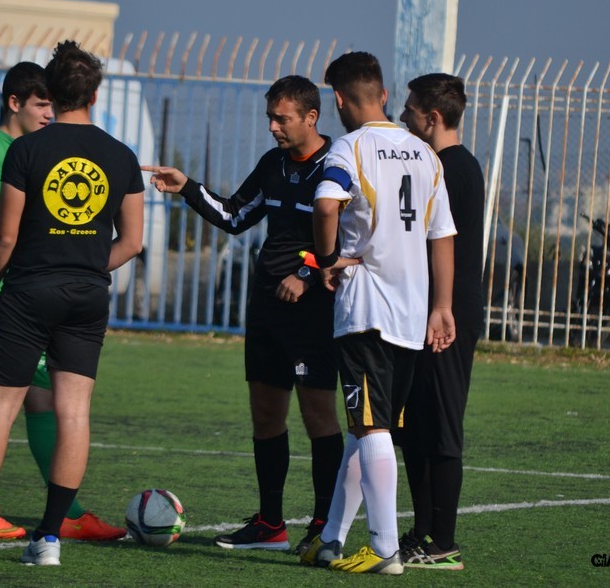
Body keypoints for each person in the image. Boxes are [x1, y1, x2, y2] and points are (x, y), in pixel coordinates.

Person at [0, 40, 144, 565]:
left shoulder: (27, 150)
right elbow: (131, 243)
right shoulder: (122, 156)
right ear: (96, 95)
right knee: (73, 412)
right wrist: (84, 267)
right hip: (88, 297)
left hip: (28, 291)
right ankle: (50, 539)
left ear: (52, 93)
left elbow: (6, 238)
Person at [141, 75, 344, 554]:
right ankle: (271, 524)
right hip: (267, 308)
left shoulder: (337, 165)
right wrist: (187, 188)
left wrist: (307, 272)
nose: (273, 127)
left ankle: (324, 525)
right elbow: (235, 215)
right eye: (270, 117)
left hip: (313, 311)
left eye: (282, 118)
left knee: (318, 414)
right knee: (266, 414)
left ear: (311, 117)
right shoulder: (273, 164)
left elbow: (351, 236)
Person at [300, 52, 457, 575]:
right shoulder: (425, 153)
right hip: (410, 316)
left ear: (338, 99)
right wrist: (441, 307)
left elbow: (326, 205)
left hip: (365, 311)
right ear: (384, 95)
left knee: (371, 429)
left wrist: (326, 259)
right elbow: (442, 235)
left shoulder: (349, 147)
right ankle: (330, 539)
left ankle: (385, 548)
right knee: (366, 428)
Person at [394, 73, 483, 571]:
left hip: (446, 315)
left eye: (409, 109)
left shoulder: (451, 167)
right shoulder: (439, 164)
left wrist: (439, 308)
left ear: (431, 117)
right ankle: (422, 532)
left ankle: (443, 543)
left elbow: (436, 243)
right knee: (416, 427)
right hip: (426, 311)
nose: (403, 116)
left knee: (443, 425)